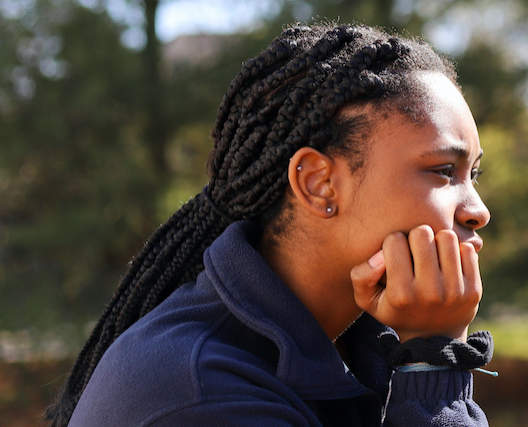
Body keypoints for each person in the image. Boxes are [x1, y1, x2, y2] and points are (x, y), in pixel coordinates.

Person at [45, 23, 494, 426]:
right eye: (442, 171)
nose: (477, 210)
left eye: (472, 174)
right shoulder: (198, 391)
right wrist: (434, 360)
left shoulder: (365, 342)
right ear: (318, 184)